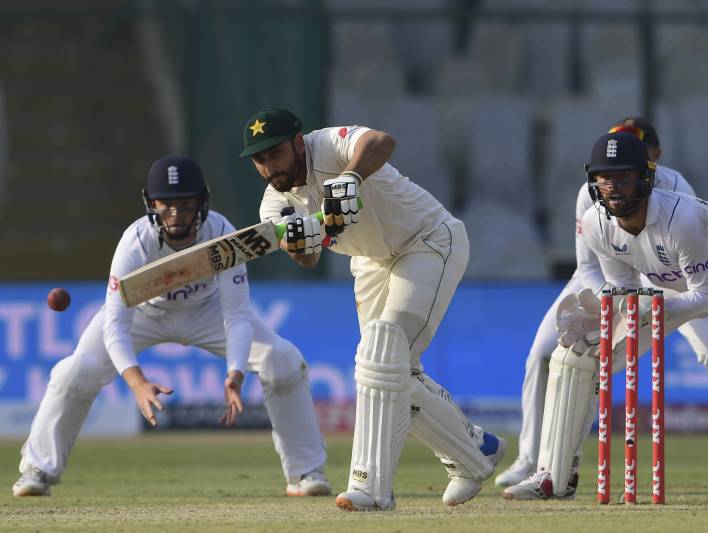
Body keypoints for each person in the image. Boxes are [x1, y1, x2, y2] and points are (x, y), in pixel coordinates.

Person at [12, 155, 331, 498]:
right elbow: (116, 324)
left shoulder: (222, 233)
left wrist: (236, 372)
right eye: (167, 205)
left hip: (206, 310)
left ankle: (305, 473)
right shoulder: (135, 242)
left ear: (202, 202)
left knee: (283, 359)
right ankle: (38, 470)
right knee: (74, 371)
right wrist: (136, 382)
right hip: (144, 313)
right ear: (151, 204)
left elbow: (237, 315)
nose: (176, 215)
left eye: (186, 204)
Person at [240, 107, 506, 511]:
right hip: (369, 263)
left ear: (297, 143)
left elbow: (382, 141)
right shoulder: (274, 206)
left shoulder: (327, 145)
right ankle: (475, 451)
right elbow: (308, 260)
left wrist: (350, 177)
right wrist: (300, 243)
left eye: (275, 154)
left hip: (427, 240)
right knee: (389, 369)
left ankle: (371, 487)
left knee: (382, 353)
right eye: (260, 160)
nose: (268, 166)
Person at [508, 130, 708, 503]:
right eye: (606, 180)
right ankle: (553, 475)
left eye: (624, 178)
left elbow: (707, 296)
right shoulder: (595, 224)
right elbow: (621, 286)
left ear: (646, 177)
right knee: (579, 355)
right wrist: (607, 318)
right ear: (594, 183)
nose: (615, 188)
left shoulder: (682, 219)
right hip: (663, 288)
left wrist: (651, 310)